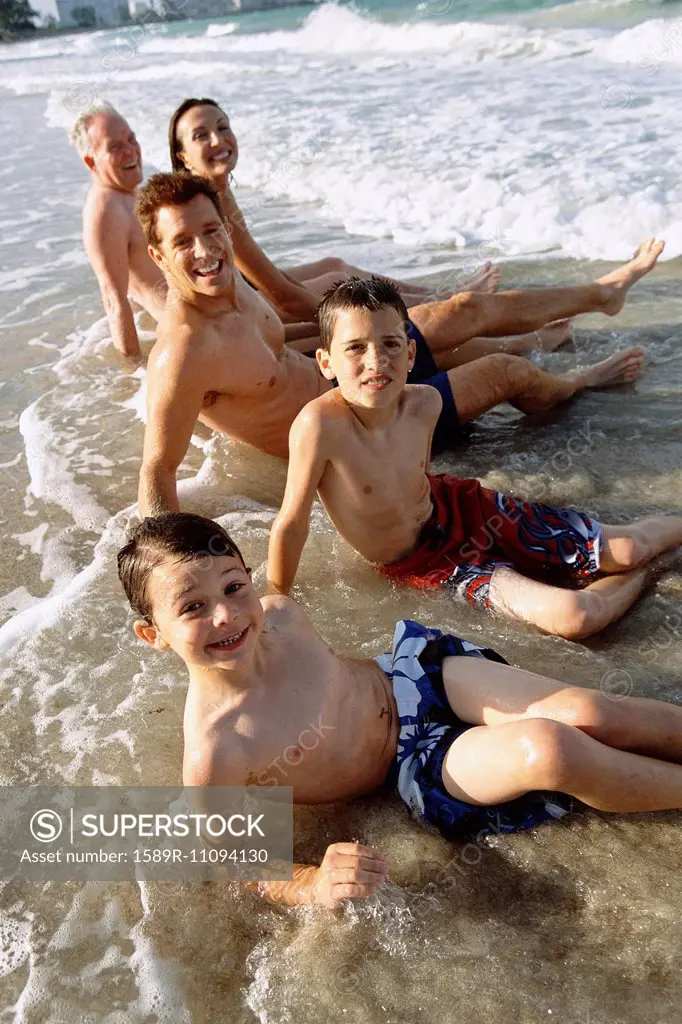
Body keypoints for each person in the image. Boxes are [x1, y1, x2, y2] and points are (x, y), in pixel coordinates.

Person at [118, 512, 682, 907]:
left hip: (413, 676)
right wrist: (311, 883)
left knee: (590, 714)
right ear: (153, 634)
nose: (227, 616)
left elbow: (343, 676)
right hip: (412, 761)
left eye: (234, 586)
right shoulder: (218, 747)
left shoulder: (282, 616)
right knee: (550, 750)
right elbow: (236, 861)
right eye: (193, 606)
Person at [135, 172, 659, 518]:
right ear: (159, 257)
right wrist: (170, 569)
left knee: (462, 311)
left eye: (211, 231)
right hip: (364, 423)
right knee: (505, 372)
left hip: (356, 367)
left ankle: (603, 293)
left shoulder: (232, 295)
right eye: (183, 242)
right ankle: (578, 383)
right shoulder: (183, 352)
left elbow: (276, 346)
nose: (205, 250)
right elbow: (157, 468)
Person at [267, 276, 681, 640]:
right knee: (577, 617)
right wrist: (275, 602)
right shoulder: (320, 426)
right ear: (326, 362)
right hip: (430, 563)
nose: (376, 361)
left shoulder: (425, 403)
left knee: (628, 548)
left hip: (468, 512)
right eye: (355, 348)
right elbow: (291, 522)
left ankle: (653, 552)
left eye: (390, 344)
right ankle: (655, 568)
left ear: (411, 355)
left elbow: (421, 480)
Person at [166, 95, 575, 356]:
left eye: (223, 126)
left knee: (338, 271)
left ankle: (436, 298)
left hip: (250, 316)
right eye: (202, 135)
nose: (219, 139)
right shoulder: (208, 204)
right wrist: (368, 318)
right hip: (248, 333)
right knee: (391, 328)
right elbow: (279, 295)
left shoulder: (214, 189)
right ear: (183, 156)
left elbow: (261, 278)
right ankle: (519, 339)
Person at [71, 102, 167, 358]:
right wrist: (134, 378)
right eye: (115, 147)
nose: (130, 151)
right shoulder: (105, 212)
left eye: (131, 139)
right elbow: (114, 301)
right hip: (197, 325)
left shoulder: (131, 195)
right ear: (91, 161)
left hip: (215, 308)